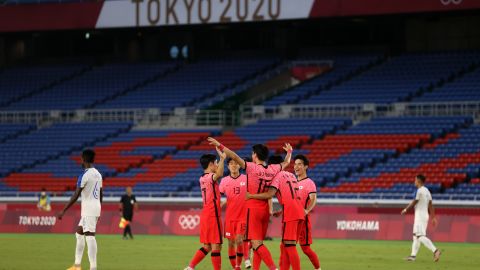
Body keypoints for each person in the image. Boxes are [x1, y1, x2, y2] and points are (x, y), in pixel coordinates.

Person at [208, 137, 293, 270]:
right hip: (265, 208)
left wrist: (220, 145)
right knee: (257, 244)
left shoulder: (251, 167)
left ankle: (273, 268)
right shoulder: (273, 168)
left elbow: (234, 156)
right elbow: (286, 162)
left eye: (253, 153)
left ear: (255, 155)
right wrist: (289, 152)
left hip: (253, 208)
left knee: (256, 243)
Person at [247, 155, 304, 270]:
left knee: (290, 246)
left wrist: (251, 195)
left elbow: (269, 194)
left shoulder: (277, 176)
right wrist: (283, 210)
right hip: (298, 212)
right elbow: (294, 196)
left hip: (291, 214)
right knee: (284, 245)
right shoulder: (291, 175)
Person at [58, 149, 103, 270]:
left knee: (90, 236)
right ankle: (77, 265)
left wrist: (64, 210)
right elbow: (101, 193)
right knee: (79, 233)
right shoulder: (98, 174)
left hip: (89, 209)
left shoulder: (84, 175)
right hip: (94, 207)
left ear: (84, 159)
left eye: (81, 158)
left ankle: (93, 267)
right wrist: (99, 210)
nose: (80, 161)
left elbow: (76, 195)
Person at [184, 148, 226, 270]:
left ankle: (190, 267)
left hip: (206, 214)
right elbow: (220, 174)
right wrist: (223, 159)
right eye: (216, 163)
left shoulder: (202, 178)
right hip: (213, 214)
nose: (217, 165)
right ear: (211, 164)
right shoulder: (210, 177)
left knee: (207, 245)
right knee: (216, 245)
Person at [401, 174, 441, 262]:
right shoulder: (427, 191)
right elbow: (430, 205)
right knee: (416, 236)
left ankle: (435, 250)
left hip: (420, 216)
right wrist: (433, 217)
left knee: (420, 236)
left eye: (415, 180)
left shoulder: (419, 191)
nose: (414, 182)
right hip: (424, 215)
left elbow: (414, 202)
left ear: (418, 181)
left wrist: (405, 209)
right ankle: (413, 256)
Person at [219, 158, 250, 270]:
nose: (233, 165)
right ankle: (235, 267)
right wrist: (221, 203)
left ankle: (238, 265)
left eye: (236, 163)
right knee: (231, 243)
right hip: (230, 217)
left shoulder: (246, 179)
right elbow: (222, 196)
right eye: (231, 163)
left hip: (243, 217)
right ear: (228, 166)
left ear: (239, 166)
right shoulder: (224, 181)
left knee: (239, 239)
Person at [294, 154, 321, 270]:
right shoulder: (292, 182)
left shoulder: (309, 183)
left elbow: (313, 199)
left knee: (305, 249)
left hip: (302, 221)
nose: (296, 167)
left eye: (299, 164)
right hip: (291, 220)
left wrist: (307, 210)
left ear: (305, 167)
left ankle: (318, 269)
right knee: (287, 246)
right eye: (295, 164)